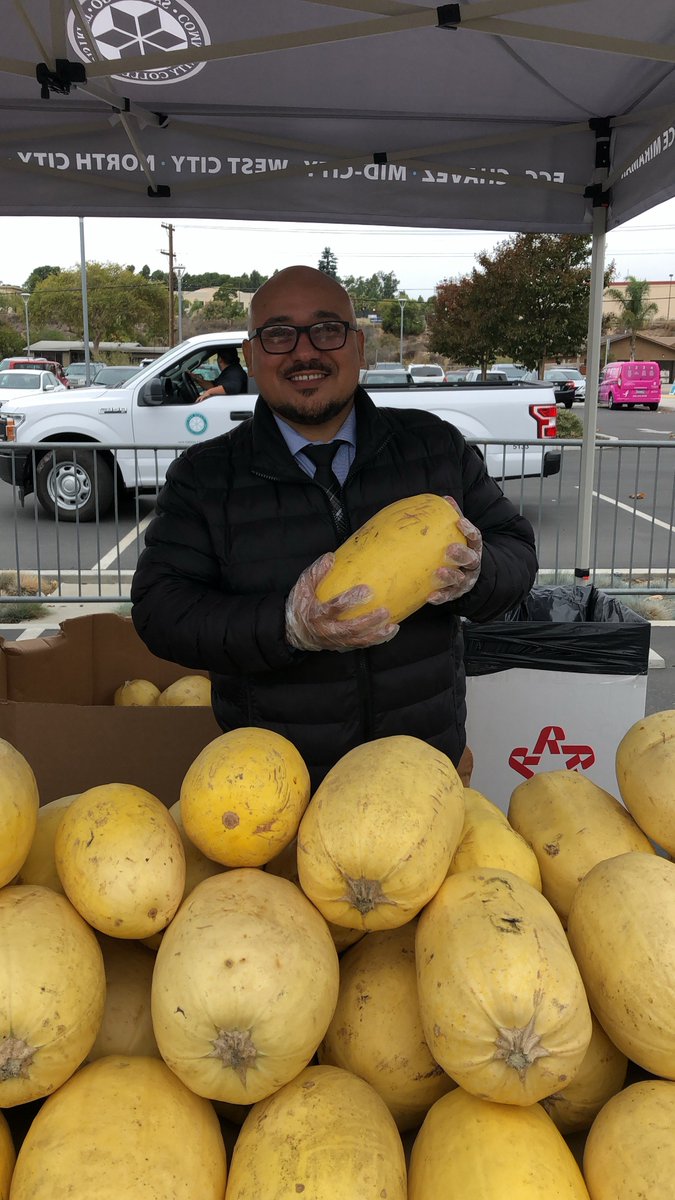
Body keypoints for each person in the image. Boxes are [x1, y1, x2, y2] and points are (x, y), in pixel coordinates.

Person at [131, 265, 537, 789]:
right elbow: (161, 611)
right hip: (275, 788)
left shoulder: (434, 448)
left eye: (327, 329)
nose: (305, 352)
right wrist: (286, 626)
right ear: (251, 357)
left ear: (359, 348)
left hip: (419, 770)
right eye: (278, 334)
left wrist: (478, 576)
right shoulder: (204, 478)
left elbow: (517, 551)